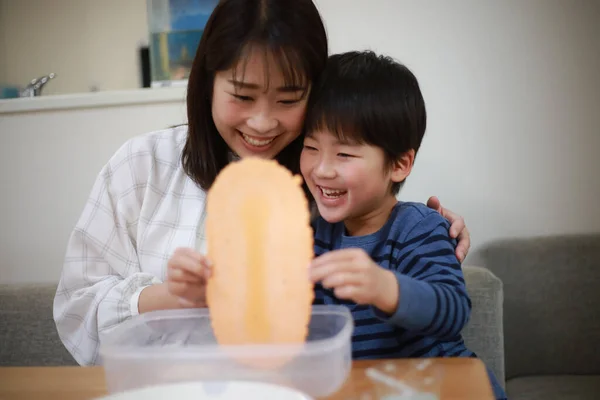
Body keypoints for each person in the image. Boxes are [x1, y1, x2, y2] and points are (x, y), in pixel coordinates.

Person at [53, 0, 471, 367]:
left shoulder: (322, 201)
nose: (262, 122)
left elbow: (404, 263)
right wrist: (173, 297)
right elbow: (77, 309)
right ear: (207, 83)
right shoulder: (142, 166)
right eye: (242, 95)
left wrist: (429, 232)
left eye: (288, 100)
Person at [302, 51, 506, 399]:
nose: (321, 169)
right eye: (310, 147)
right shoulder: (312, 235)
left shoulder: (418, 227)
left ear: (399, 164)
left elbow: (454, 310)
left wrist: (386, 288)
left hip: (440, 385)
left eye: (344, 154)